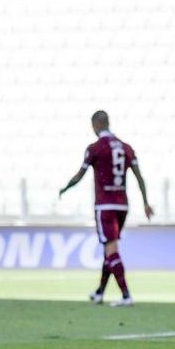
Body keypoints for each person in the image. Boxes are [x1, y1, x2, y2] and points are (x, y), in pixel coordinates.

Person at [59, 110, 153, 307]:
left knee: (111, 249)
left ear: (95, 125)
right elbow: (140, 177)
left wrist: (65, 188)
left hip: (105, 205)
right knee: (109, 249)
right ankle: (100, 292)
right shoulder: (126, 148)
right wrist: (145, 202)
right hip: (122, 205)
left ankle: (126, 295)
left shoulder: (95, 148)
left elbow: (79, 176)